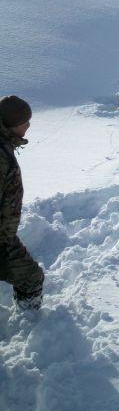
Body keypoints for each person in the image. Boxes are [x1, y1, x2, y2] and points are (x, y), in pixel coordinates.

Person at [0, 96, 44, 310]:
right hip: (1, 241)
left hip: (4, 237)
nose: (28, 125)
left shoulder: (4, 145)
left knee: (32, 277)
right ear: (13, 124)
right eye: (25, 121)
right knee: (32, 277)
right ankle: (30, 320)